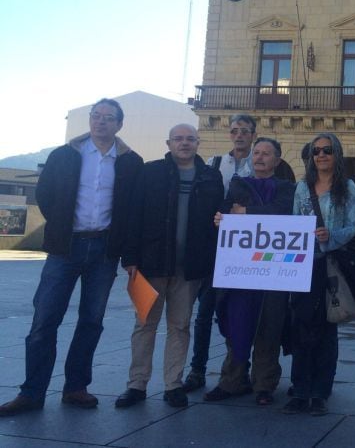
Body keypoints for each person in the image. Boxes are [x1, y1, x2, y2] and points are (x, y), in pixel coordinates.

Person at [0, 98, 143, 416]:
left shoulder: (130, 163)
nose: (100, 122)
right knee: (44, 321)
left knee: (91, 322)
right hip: (65, 249)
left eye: (108, 118)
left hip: (104, 250)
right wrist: (62, 225)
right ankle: (31, 393)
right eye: (96, 116)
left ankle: (76, 388)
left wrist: (126, 251)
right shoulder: (65, 155)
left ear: (119, 124)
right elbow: (45, 194)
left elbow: (133, 210)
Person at [115, 124, 223, 409]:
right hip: (149, 265)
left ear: (198, 143)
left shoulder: (211, 177)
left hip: (189, 268)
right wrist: (130, 259)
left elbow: (218, 223)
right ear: (169, 142)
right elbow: (133, 214)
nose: (184, 143)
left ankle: (173, 384)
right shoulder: (150, 172)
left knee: (180, 325)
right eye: (179, 139)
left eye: (190, 139)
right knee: (144, 325)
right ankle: (137, 384)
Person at [203, 137, 295, 405]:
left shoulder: (287, 188)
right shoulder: (237, 184)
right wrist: (223, 216)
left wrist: (246, 212)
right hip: (242, 271)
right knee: (237, 324)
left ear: (277, 160)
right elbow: (226, 211)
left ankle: (264, 384)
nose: (260, 157)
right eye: (257, 152)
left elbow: (283, 213)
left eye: (267, 153)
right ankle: (232, 380)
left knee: (270, 326)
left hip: (274, 271)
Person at [283, 133, 355, 416]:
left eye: (327, 150)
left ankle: (320, 392)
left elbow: (351, 227)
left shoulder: (348, 187)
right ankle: (300, 389)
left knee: (327, 328)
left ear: (336, 154)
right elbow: (293, 222)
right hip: (304, 264)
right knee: (301, 326)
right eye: (316, 151)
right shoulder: (302, 187)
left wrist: (330, 236)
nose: (321, 155)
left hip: (330, 264)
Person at [183, 114, 256, 393]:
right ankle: (197, 369)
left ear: (252, 135)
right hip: (213, 248)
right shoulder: (214, 163)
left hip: (244, 248)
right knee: (204, 312)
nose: (239, 135)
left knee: (239, 313)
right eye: (235, 131)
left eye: (245, 131)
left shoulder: (260, 162)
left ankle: (239, 370)